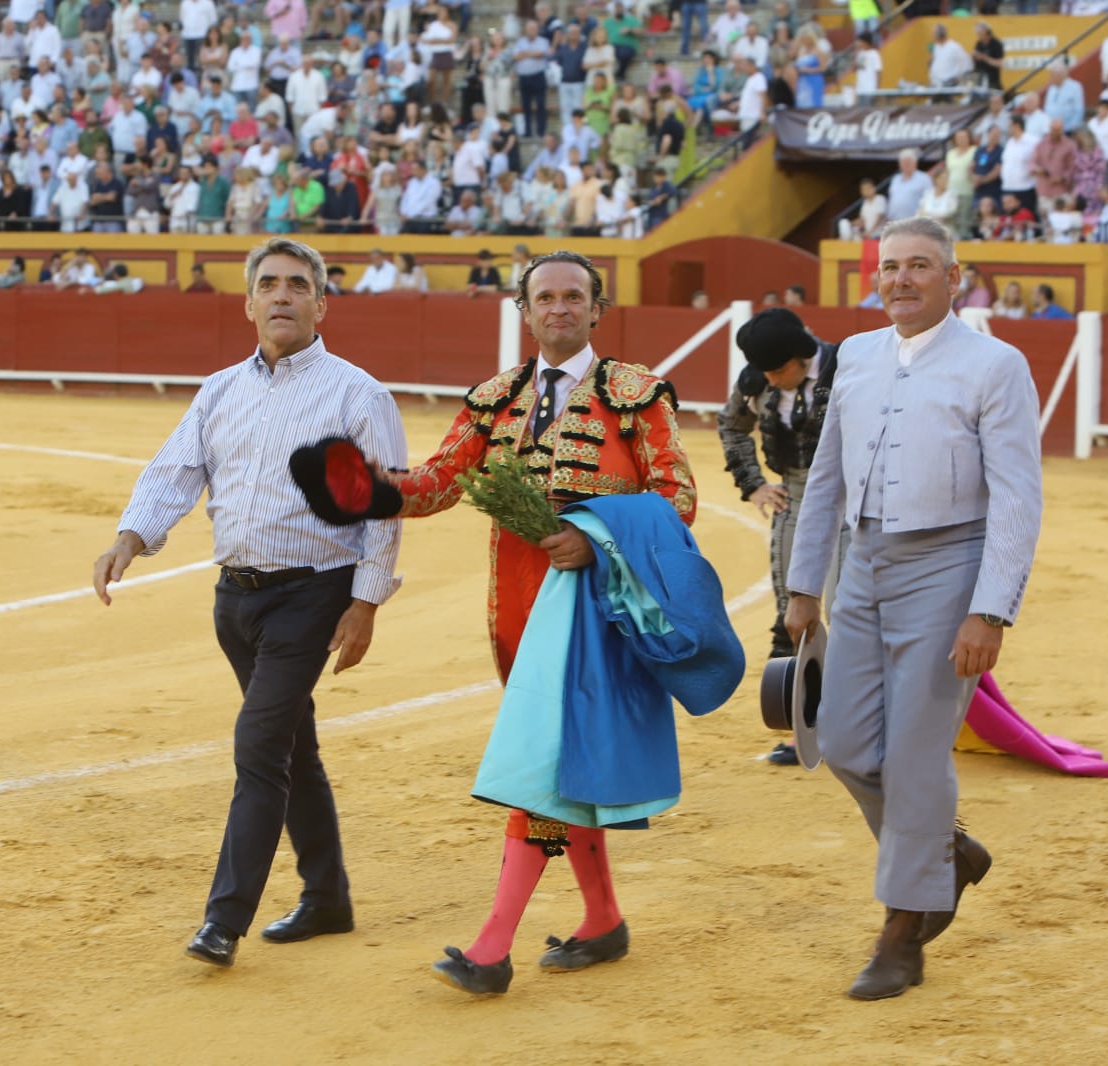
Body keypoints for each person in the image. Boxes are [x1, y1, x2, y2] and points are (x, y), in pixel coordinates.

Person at [377, 251, 695, 996]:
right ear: (525, 311)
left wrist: (596, 536)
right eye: (543, 297)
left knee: (542, 768)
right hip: (519, 610)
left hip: (598, 613)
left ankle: (492, 950)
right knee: (564, 766)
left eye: (572, 296)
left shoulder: (635, 395)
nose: (557, 307)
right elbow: (436, 484)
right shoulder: (496, 399)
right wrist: (367, 487)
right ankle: (603, 918)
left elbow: (676, 498)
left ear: (595, 310)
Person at [92, 238, 407, 969]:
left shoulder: (359, 394)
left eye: (299, 285)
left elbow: (383, 511)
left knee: (259, 750)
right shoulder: (220, 390)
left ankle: (223, 921)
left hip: (312, 594)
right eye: (269, 284)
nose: (283, 296)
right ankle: (327, 897)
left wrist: (365, 603)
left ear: (322, 303)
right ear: (248, 302)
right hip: (236, 599)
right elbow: (176, 470)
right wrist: (130, 537)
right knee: (294, 747)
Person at [784, 217, 1043, 1001]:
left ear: (953, 278)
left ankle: (902, 933)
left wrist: (989, 610)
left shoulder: (996, 364)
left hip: (949, 567)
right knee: (847, 743)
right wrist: (803, 586)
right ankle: (945, 856)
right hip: (863, 565)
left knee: (918, 755)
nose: (900, 279)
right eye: (890, 266)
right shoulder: (856, 355)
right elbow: (825, 475)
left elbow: (1017, 498)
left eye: (919, 266)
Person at [717, 308, 850, 766]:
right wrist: (753, 483)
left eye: (778, 371)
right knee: (794, 611)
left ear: (802, 356)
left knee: (850, 609)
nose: (770, 381)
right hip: (794, 494)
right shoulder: (759, 378)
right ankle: (804, 728)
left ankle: (862, 725)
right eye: (765, 372)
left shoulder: (847, 367)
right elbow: (731, 426)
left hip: (853, 497)